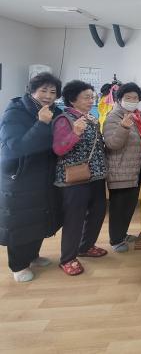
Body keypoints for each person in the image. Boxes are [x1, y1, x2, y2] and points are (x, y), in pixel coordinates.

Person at [0, 72, 62, 282]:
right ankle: (18, 265)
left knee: (40, 217)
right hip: (20, 177)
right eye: (43, 90)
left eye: (53, 92)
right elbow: (16, 147)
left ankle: (33, 255)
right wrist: (41, 123)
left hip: (44, 174)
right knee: (21, 221)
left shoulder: (55, 112)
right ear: (31, 91)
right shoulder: (15, 111)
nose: (48, 96)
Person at [53, 80, 108, 276]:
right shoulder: (64, 119)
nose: (91, 100)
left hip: (96, 175)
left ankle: (86, 246)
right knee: (74, 218)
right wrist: (75, 132)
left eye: (92, 97)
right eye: (86, 97)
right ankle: (67, 258)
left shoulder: (91, 118)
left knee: (98, 212)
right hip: (74, 177)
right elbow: (59, 149)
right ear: (72, 99)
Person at [103, 82, 141, 253]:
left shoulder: (136, 116)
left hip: (134, 169)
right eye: (127, 97)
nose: (132, 100)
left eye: (135, 98)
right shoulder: (114, 117)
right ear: (119, 99)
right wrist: (123, 127)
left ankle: (122, 234)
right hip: (120, 170)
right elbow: (112, 144)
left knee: (129, 206)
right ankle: (116, 240)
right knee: (119, 207)